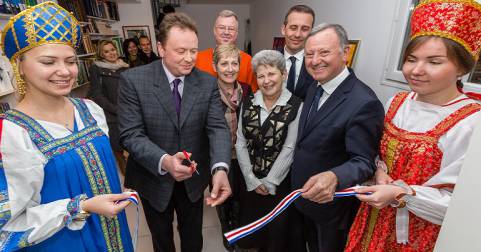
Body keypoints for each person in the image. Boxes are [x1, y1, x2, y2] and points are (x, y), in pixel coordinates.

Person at [345, 1, 481, 251]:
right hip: (372, 219)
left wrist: (400, 195)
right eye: (411, 59)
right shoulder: (396, 102)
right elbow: (380, 151)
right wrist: (379, 170)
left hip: (419, 234)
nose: (416, 70)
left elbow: (462, 204)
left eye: (434, 62)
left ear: (461, 67)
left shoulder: (470, 123)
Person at [0, 2, 134, 251]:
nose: (64, 71)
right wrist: (80, 207)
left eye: (71, 61)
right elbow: (7, 224)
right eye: (49, 62)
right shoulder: (12, 134)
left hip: (113, 233)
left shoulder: (89, 110)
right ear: (19, 66)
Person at [118, 12, 232, 252]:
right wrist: (165, 161)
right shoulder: (133, 80)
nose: (189, 58)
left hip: (193, 179)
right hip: (152, 176)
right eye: (181, 51)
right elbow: (131, 134)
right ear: (161, 48)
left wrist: (220, 168)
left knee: (193, 238)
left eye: (193, 50)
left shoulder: (207, 82)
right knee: (161, 240)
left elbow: (217, 127)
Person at [290, 23, 385, 252]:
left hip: (332, 208)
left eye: (324, 52)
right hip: (305, 197)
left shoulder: (364, 102)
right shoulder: (315, 86)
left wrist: (334, 176)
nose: (314, 60)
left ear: (345, 53)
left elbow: (364, 161)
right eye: (309, 54)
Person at [235, 50, 304, 252]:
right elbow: (240, 142)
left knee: (275, 237)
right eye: (261, 75)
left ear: (283, 74)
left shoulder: (296, 105)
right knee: (251, 234)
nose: (266, 81)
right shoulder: (248, 102)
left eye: (271, 74)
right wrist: (250, 178)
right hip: (250, 182)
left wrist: (270, 181)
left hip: (279, 185)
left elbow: (289, 148)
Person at [212, 44, 251, 251]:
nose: (229, 68)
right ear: (215, 66)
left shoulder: (247, 89)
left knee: (240, 196)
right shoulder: (207, 91)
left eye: (234, 63)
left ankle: (237, 230)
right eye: (224, 63)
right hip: (218, 156)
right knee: (222, 197)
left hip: (242, 155)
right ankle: (226, 231)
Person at [88, 40, 130, 175]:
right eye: (106, 51)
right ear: (101, 54)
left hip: (129, 113)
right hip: (112, 116)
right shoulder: (96, 68)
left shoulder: (124, 67)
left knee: (133, 148)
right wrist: (116, 110)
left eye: (112, 49)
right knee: (119, 151)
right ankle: (129, 184)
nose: (111, 53)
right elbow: (97, 95)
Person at [195, 10, 258, 92]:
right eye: (222, 28)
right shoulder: (197, 58)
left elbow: (253, 95)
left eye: (231, 29)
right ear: (214, 30)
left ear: (237, 33)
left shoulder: (248, 61)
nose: (226, 32)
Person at [280, 5, 316, 100]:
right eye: (293, 27)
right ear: (284, 29)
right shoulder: (268, 60)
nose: (297, 34)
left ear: (311, 32)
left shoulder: (318, 63)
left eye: (304, 29)